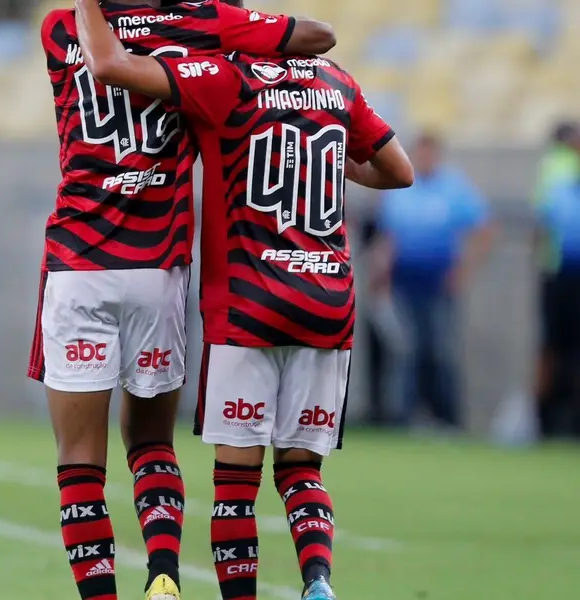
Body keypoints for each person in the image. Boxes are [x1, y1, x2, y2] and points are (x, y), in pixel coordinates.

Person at [73, 1, 414, 599]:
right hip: (327, 300)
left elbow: (117, 68)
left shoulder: (222, 79)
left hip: (248, 302)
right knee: (302, 469)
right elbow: (399, 171)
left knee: (235, 482)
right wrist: (328, 158)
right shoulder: (337, 83)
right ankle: (318, 580)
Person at [33, 2, 336, 599]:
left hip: (78, 265)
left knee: (79, 458)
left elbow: (109, 58)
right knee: (151, 443)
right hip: (158, 267)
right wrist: (238, 41)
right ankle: (164, 573)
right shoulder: (202, 24)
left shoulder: (61, 27)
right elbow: (317, 37)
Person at [373, 133, 494, 429]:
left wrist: (464, 271)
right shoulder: (400, 186)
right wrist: (382, 276)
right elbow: (389, 237)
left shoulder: (454, 187)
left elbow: (484, 229)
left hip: (439, 282)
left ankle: (445, 416)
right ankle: (403, 416)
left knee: (440, 349)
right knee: (407, 349)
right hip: (404, 281)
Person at [534, 122, 580, 436]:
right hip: (558, 276)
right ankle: (545, 422)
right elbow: (541, 228)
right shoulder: (559, 189)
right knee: (550, 347)